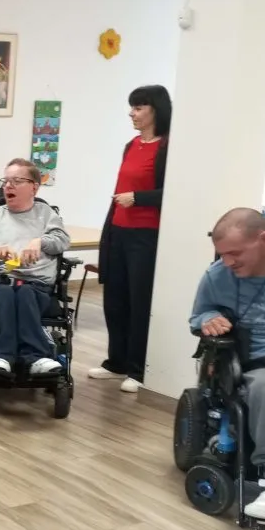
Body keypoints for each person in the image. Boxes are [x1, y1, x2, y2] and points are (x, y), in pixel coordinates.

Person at [190, 208, 265, 521]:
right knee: (261, 387)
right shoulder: (217, 276)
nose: (228, 261)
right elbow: (198, 314)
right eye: (222, 254)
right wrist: (209, 319)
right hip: (261, 366)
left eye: (235, 253)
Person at [92, 85, 172, 393]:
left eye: (138, 108)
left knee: (139, 302)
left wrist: (138, 198)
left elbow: (173, 191)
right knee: (115, 300)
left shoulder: (167, 147)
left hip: (146, 235)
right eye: (132, 107)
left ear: (156, 110)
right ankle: (117, 362)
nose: (132, 113)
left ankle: (138, 370)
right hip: (118, 230)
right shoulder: (132, 145)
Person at [0, 159, 70, 377]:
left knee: (25, 293)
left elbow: (62, 240)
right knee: (5, 294)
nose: (8, 186)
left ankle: (35, 358)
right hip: (1, 279)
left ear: (34, 187)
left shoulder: (46, 214)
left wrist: (40, 241)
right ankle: (3, 357)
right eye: (6, 181)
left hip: (36, 282)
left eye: (16, 181)